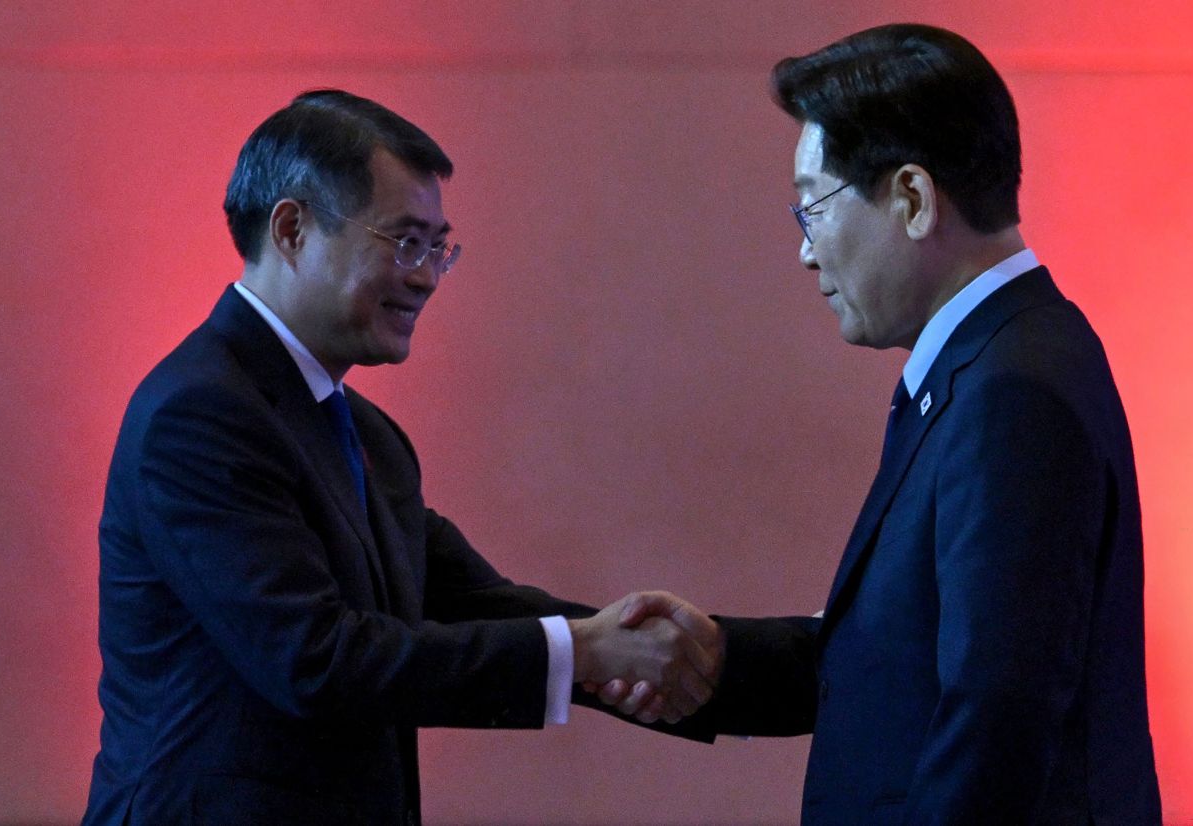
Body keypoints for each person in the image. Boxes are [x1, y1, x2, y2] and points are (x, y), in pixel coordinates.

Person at [81, 89, 720, 826]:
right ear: (291, 229)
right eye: (404, 241)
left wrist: (753, 659)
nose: (425, 276)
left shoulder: (365, 434)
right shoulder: (199, 413)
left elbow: (480, 608)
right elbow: (316, 660)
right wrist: (587, 652)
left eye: (438, 247)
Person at [603, 23, 1162, 824]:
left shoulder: (1013, 388)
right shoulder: (998, 356)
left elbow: (995, 717)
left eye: (814, 209)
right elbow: (914, 651)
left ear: (911, 199)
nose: (805, 252)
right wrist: (723, 663)